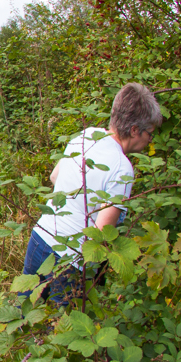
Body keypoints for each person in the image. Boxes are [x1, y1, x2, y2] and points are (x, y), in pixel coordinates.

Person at [22, 83, 163, 304]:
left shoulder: (88, 134)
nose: (150, 140)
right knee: (61, 330)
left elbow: (54, 177)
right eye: (150, 133)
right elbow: (101, 234)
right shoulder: (122, 168)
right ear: (134, 130)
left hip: (41, 237)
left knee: (26, 312)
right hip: (71, 260)